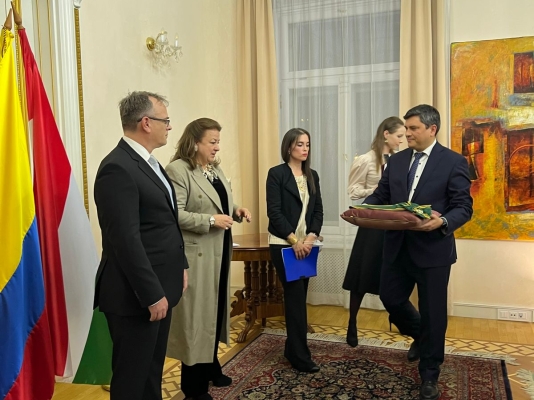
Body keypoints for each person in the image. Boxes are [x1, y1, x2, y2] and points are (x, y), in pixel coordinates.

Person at [365, 104, 473, 400]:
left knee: (433, 312)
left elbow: (463, 207)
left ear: (431, 129)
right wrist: (364, 207)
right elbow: (382, 195)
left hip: (434, 251)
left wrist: (442, 221)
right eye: (407, 128)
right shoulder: (396, 161)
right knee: (390, 297)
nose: (407, 134)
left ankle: (429, 375)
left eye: (413, 129)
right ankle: (424, 338)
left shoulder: (453, 162)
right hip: (396, 247)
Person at [94, 91, 188, 400]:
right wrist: (151, 294)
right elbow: (125, 240)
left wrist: (181, 267)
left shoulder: (150, 164)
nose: (169, 127)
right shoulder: (117, 168)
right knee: (131, 381)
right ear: (146, 123)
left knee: (151, 373)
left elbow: (165, 224)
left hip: (160, 287)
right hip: (134, 296)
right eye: (166, 120)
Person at [165, 118, 251, 400]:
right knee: (196, 321)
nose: (217, 147)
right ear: (195, 142)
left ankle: (211, 366)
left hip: (219, 252)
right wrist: (211, 220)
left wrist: (236, 210)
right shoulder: (178, 170)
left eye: (218, 141)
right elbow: (173, 214)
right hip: (197, 256)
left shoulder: (213, 168)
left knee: (213, 313)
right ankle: (193, 388)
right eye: (212, 141)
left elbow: (220, 200)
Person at [342, 116, 406, 347]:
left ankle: (399, 319)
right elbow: (353, 191)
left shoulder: (401, 160)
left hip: (394, 223)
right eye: (399, 136)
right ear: (386, 134)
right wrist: (378, 188)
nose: (402, 140)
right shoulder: (366, 160)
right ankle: (352, 323)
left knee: (394, 276)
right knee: (362, 275)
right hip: (372, 224)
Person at [266, 128, 324, 373]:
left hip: (308, 245)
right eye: (300, 144)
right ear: (289, 147)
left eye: (308, 144)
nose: (305, 148)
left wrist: (310, 238)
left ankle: (293, 348)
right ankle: (300, 356)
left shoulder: (312, 175)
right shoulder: (276, 174)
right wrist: (294, 241)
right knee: (295, 299)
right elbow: (275, 213)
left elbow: (318, 211)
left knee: (300, 297)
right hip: (284, 245)